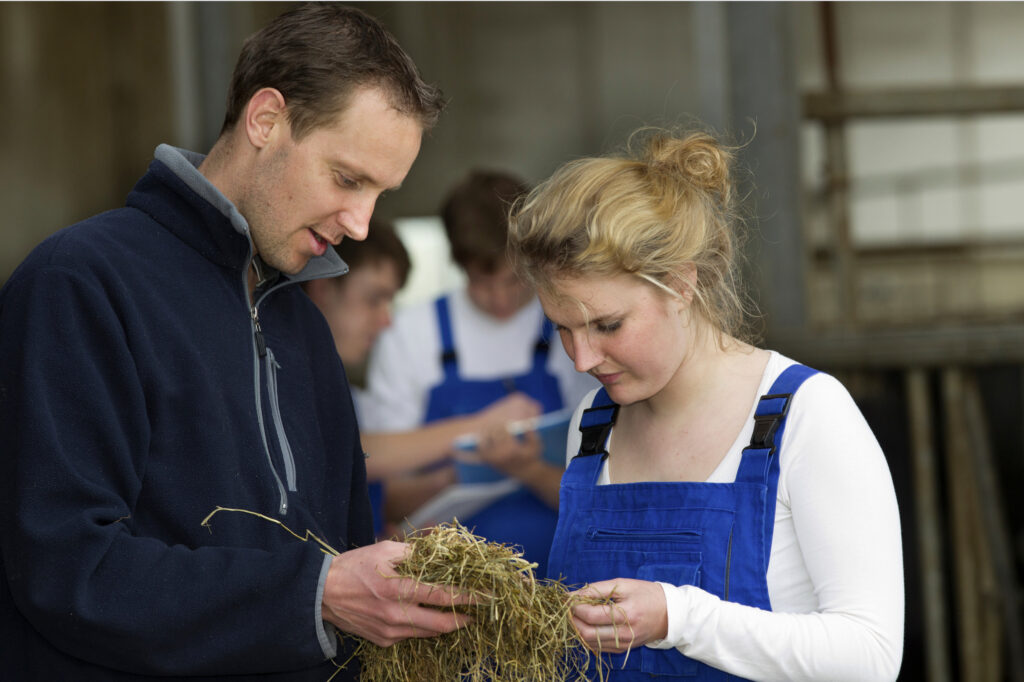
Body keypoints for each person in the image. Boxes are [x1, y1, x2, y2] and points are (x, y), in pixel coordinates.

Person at [0, 5, 473, 680]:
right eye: (348, 178)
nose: (362, 225)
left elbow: (339, 564)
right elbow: (68, 570)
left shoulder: (306, 329)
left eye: (381, 194)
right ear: (265, 120)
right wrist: (317, 593)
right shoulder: (79, 282)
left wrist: (377, 591)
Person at [506, 128, 905, 680]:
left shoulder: (805, 414)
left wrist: (680, 617)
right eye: (562, 329)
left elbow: (871, 656)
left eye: (608, 324)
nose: (582, 358)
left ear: (679, 285)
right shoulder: (592, 427)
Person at [362, 169, 598, 576]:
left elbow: (605, 494)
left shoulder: (572, 323)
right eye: (483, 283)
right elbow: (383, 497)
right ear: (458, 264)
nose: (502, 299)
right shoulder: (408, 333)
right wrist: (459, 473)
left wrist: (523, 468)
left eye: (515, 281)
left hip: (563, 572)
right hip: (447, 580)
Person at [303, 220, 534, 538]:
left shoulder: (347, 397)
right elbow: (354, 452)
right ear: (323, 288)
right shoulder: (287, 383)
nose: (386, 321)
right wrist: (483, 425)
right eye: (374, 299)